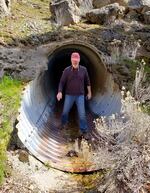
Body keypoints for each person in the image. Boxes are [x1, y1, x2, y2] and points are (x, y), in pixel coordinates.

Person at [56, 52, 92, 139]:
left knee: (82, 114)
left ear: (79, 60)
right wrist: (60, 92)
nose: (75, 62)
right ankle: (63, 124)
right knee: (65, 112)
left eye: (76, 60)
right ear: (71, 60)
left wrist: (89, 92)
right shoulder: (67, 70)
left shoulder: (84, 70)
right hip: (69, 95)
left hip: (80, 95)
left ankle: (84, 131)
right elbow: (62, 82)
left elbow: (87, 82)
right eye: (73, 60)